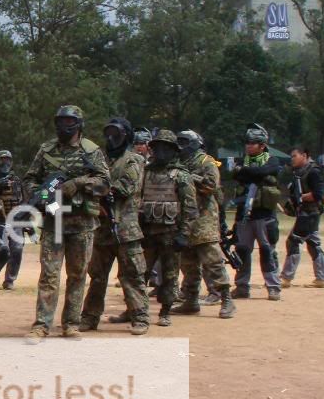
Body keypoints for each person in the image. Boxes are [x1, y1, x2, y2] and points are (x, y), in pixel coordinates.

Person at [23, 105, 110, 343]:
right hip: (54, 222)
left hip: (82, 223)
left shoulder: (91, 151)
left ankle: (71, 324)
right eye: (60, 121)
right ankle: (41, 325)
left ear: (79, 124)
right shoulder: (46, 149)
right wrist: (40, 197)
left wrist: (79, 183)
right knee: (49, 276)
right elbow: (30, 179)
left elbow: (104, 183)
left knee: (78, 275)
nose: (64, 125)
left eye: (69, 121)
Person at [79, 118, 150, 335]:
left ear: (126, 136)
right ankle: (90, 318)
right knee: (97, 276)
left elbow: (124, 188)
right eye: (108, 133)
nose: (111, 138)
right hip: (102, 229)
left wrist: (94, 187)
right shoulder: (99, 160)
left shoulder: (134, 160)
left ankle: (140, 317)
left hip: (126, 229)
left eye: (116, 134)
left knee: (132, 275)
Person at [173, 130, 236, 319]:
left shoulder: (206, 162)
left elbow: (210, 186)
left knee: (213, 262)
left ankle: (226, 300)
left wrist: (187, 177)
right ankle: (190, 301)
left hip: (204, 221)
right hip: (185, 221)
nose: (181, 146)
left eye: (184, 141)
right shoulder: (179, 163)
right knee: (188, 264)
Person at [138, 130, 198, 327]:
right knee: (140, 273)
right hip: (147, 232)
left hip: (170, 234)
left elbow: (190, 208)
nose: (161, 152)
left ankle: (165, 311)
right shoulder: (145, 173)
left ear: (174, 151)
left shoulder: (181, 176)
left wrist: (184, 234)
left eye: (166, 147)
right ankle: (137, 310)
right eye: (157, 147)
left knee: (170, 274)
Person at [232, 123, 283, 301]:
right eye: (247, 142)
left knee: (267, 251)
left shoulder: (273, 160)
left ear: (262, 145)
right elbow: (238, 174)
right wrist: (253, 173)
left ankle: (273, 287)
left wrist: (247, 172)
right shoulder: (241, 161)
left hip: (264, 216)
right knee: (242, 251)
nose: (248, 146)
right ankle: (241, 287)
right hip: (244, 215)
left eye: (252, 143)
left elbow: (265, 170)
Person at [280, 146, 324, 288]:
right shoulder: (299, 172)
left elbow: (317, 194)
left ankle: (286, 278)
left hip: (310, 213)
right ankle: (322, 278)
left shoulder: (313, 171)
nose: (292, 159)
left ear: (304, 155)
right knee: (314, 244)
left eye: (294, 156)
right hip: (305, 212)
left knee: (293, 241)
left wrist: (299, 198)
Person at [0, 149, 26, 291]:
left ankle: (9, 280)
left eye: (7, 159)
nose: (5, 162)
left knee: (17, 249)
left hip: (16, 221)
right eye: (2, 159)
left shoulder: (17, 180)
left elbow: (24, 200)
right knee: (3, 249)